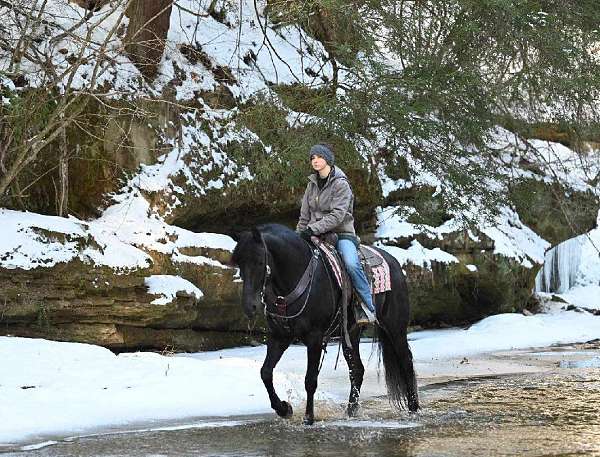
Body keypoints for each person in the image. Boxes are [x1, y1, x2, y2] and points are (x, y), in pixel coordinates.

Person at [296, 143, 377, 324]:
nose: (315, 161)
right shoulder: (311, 185)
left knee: (351, 263)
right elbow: (304, 216)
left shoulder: (341, 184)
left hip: (341, 234)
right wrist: (298, 236)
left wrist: (312, 229)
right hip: (314, 234)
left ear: (328, 159)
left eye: (319, 157)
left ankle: (366, 306)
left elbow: (337, 216)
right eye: (312, 158)